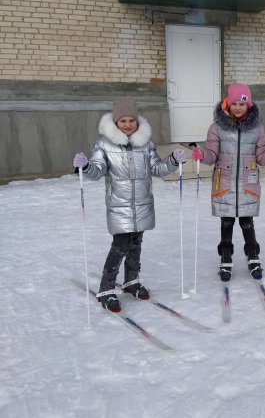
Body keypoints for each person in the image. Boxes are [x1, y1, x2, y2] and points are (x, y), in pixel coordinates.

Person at [73, 96, 186, 312]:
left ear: (137, 122)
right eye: (122, 121)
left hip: (143, 204)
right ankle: (106, 288)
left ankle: (131, 280)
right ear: (115, 123)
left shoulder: (145, 144)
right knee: (120, 246)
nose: (127, 125)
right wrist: (85, 166)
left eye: (131, 121)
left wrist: (172, 160)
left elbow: (157, 169)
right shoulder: (104, 144)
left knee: (136, 244)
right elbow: (96, 171)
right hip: (119, 206)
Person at [192, 83, 265, 282]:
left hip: (248, 183)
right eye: (234, 103)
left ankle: (252, 255)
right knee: (226, 222)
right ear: (227, 103)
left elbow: (262, 157)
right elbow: (212, 155)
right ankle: (225, 256)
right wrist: (202, 155)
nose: (238, 107)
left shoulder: (257, 128)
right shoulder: (216, 127)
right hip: (225, 183)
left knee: (247, 222)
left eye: (242, 104)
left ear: (249, 105)